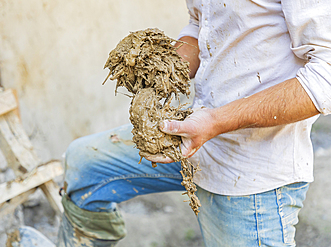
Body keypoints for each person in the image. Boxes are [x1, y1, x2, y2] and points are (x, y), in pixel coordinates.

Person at [57, 0, 331, 246]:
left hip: (251, 173)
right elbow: (202, 25)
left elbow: (326, 76)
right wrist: (161, 69)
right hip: (198, 133)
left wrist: (215, 121)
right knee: (85, 166)